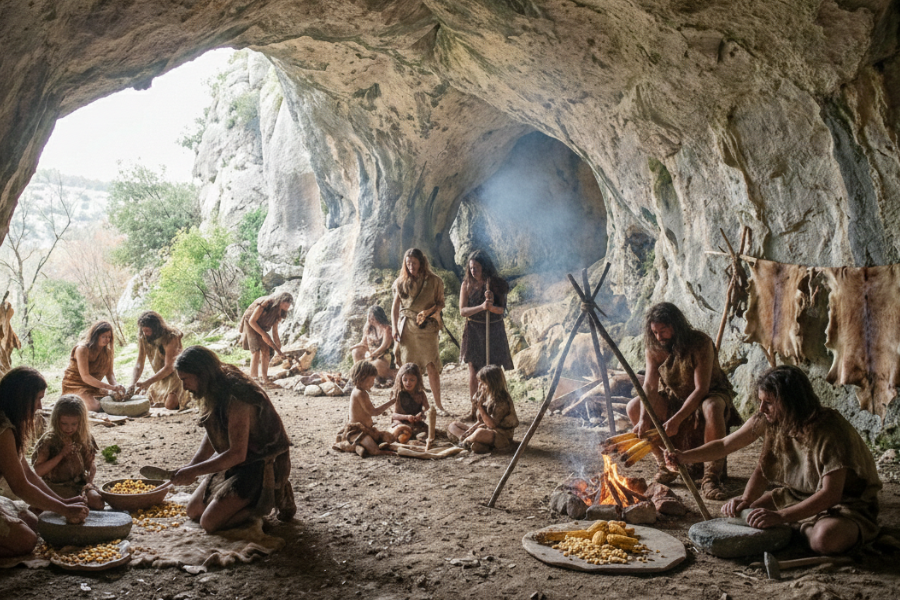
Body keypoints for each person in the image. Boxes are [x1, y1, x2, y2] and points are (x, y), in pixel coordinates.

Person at [666, 365, 882, 555]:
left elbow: (830, 494)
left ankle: (796, 528)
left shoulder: (829, 430)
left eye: (768, 402)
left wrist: (781, 517)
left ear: (791, 402)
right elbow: (725, 446)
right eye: (760, 401)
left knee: (824, 539)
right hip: (794, 497)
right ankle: (794, 527)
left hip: (845, 506)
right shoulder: (770, 420)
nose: (761, 409)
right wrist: (684, 457)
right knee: (746, 515)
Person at [170, 346, 295, 533]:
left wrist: (195, 471)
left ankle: (267, 501)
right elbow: (213, 430)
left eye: (185, 380)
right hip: (237, 462)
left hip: (258, 463)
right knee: (193, 511)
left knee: (209, 523)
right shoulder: (213, 387)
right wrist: (190, 467)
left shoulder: (238, 396)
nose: (184, 386)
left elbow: (237, 454)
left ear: (201, 374)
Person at [626, 302, 742, 499]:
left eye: (663, 330)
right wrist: (645, 418)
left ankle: (711, 476)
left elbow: (701, 389)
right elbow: (650, 387)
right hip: (675, 397)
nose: (659, 337)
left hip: (709, 394)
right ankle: (664, 465)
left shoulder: (699, 343)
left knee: (712, 407)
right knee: (634, 407)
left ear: (676, 326)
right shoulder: (654, 348)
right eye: (654, 332)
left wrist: (677, 419)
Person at [0, 367, 89, 558]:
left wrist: (62, 502)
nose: (40, 406)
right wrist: (64, 509)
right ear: (21, 398)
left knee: (33, 522)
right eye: (38, 399)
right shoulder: (2, 430)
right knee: (27, 541)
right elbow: (20, 486)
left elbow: (29, 474)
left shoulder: (9, 422)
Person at [391, 248, 450, 415]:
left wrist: (428, 312)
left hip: (427, 328)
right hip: (407, 327)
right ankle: (399, 403)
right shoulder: (401, 282)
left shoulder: (435, 281)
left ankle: (438, 405)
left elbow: (440, 304)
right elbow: (396, 306)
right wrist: (395, 327)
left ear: (421, 262)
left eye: (414, 263)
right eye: (408, 263)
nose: (411, 266)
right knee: (405, 367)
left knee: (431, 365)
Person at [459, 249, 514, 420]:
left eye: (477, 268)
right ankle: (475, 409)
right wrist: (482, 307)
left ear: (485, 267)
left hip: (494, 330)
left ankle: (498, 408)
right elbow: (463, 311)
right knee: (474, 369)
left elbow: (502, 310)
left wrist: (492, 308)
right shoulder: (467, 284)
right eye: (471, 268)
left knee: (494, 370)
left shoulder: (496, 284)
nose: (473, 271)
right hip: (474, 330)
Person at [31, 395, 104, 510]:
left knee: (97, 502)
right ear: (56, 420)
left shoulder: (84, 437)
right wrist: (61, 455)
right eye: (64, 423)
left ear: (81, 422)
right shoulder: (49, 440)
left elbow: (90, 464)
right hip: (54, 488)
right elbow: (38, 471)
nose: (69, 428)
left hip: (79, 486)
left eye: (74, 424)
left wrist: (89, 481)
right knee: (41, 509)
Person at [447, 365, 519, 454]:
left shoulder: (502, 400)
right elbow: (482, 421)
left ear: (492, 383)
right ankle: (475, 443)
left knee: (479, 433)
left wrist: (480, 407)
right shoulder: (485, 393)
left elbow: (492, 425)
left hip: (501, 436)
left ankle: (465, 442)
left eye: (483, 383)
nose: (480, 385)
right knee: (453, 425)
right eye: (479, 382)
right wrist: (472, 429)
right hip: (486, 429)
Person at [333, 361, 396, 457]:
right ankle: (355, 446)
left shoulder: (360, 391)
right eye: (370, 381)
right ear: (360, 378)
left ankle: (359, 447)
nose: (372, 383)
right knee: (374, 449)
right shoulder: (360, 393)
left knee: (388, 438)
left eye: (373, 380)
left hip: (367, 430)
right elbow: (374, 412)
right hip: (357, 431)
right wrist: (392, 402)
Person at [61, 321, 124, 412]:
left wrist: (116, 387)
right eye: (103, 336)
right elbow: (85, 377)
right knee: (94, 407)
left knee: (117, 399)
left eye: (109, 337)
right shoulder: (82, 349)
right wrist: (110, 388)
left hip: (94, 387)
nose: (106, 340)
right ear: (96, 336)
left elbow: (110, 374)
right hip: (74, 385)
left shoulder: (108, 352)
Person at [131, 311, 189, 410]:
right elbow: (139, 363)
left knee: (170, 405)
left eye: (148, 331)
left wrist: (148, 382)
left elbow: (169, 367)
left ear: (156, 329)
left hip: (177, 375)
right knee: (145, 400)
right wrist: (132, 384)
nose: (145, 334)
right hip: (161, 377)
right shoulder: (143, 336)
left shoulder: (171, 336)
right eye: (143, 331)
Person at [238, 292, 293, 387]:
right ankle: (254, 380)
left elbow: (275, 331)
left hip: (262, 325)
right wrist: (263, 334)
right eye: (286, 302)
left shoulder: (280, 312)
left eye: (289, 302)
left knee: (266, 350)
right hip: (251, 322)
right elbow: (252, 320)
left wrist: (278, 348)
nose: (288, 305)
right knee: (256, 350)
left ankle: (265, 379)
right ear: (280, 301)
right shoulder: (267, 304)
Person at [349, 305, 395, 385]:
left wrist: (373, 353)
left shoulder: (387, 328)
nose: (370, 318)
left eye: (372, 316)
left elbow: (385, 346)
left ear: (378, 316)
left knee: (375, 365)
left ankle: (378, 377)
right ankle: (359, 374)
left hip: (383, 356)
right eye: (369, 316)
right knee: (356, 352)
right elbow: (363, 343)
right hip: (370, 354)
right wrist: (354, 347)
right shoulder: (368, 327)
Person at [389, 363, 429, 443]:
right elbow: (394, 415)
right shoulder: (399, 393)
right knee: (400, 429)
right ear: (400, 379)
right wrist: (406, 417)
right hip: (400, 421)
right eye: (405, 380)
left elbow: (427, 408)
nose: (408, 383)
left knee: (429, 431)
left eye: (412, 380)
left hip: (415, 423)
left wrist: (421, 414)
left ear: (417, 380)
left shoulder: (420, 394)